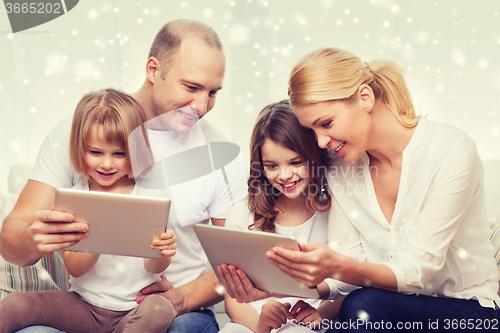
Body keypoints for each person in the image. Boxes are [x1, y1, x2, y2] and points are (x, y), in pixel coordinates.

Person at [0, 19, 247, 333]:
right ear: (153, 69)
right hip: (88, 304)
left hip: (176, 311)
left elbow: (237, 263)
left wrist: (181, 298)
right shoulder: (78, 132)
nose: (202, 106)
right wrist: (35, 237)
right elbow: (11, 242)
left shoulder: (219, 155)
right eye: (191, 87)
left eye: (213, 93)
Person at [261, 48, 500, 331]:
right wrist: (282, 287)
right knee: (352, 312)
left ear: (365, 97)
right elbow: (351, 264)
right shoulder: (339, 166)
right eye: (312, 130)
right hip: (385, 312)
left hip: (468, 313)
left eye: (326, 123)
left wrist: (335, 265)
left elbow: (416, 271)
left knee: (364, 305)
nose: (321, 141)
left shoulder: (451, 151)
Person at [0, 88, 178, 333]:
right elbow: (75, 268)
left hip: (133, 310)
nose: (106, 164)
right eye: (95, 152)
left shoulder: (150, 196)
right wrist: (99, 233)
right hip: (83, 307)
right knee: (13, 305)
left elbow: (154, 268)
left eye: (119, 154)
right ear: (79, 149)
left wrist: (163, 251)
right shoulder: (75, 198)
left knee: (161, 308)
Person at [217, 100, 341, 333]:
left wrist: (321, 313)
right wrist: (259, 324)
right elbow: (233, 297)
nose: (285, 175)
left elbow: (349, 286)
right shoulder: (244, 214)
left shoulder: (335, 211)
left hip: (307, 323)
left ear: (314, 157)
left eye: (295, 162)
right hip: (252, 320)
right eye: (272, 166)